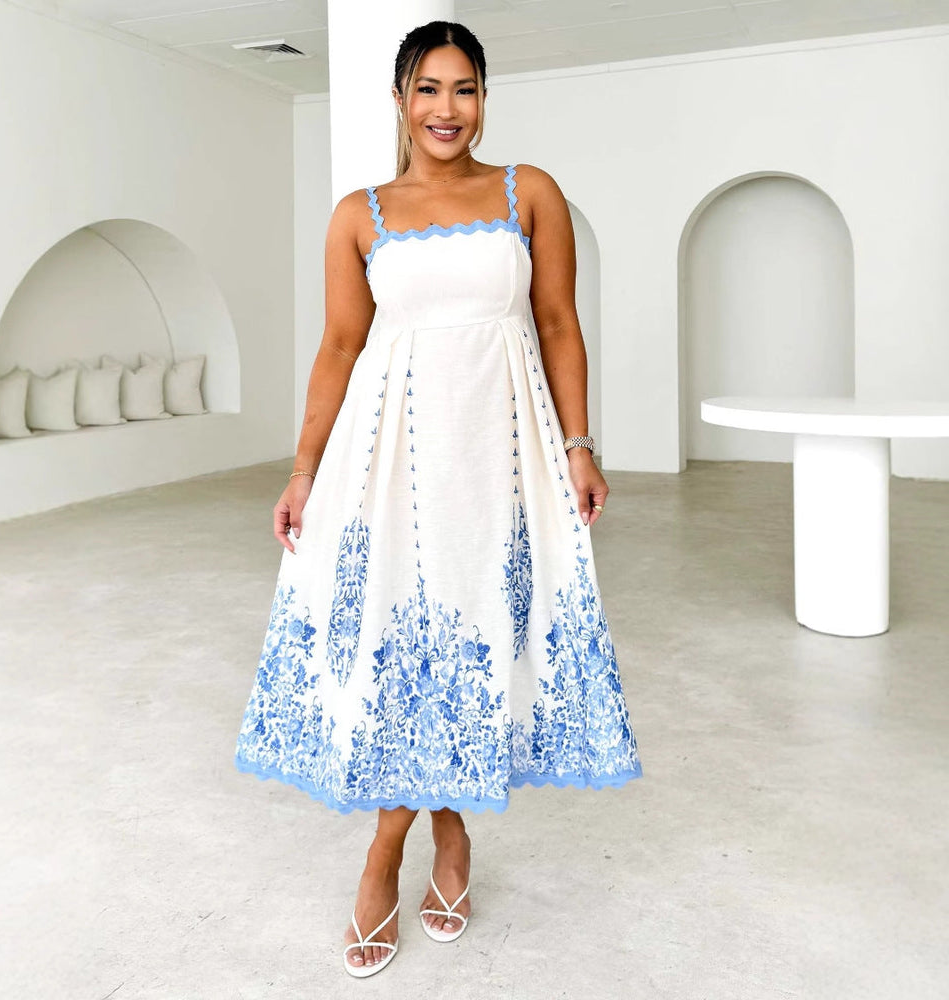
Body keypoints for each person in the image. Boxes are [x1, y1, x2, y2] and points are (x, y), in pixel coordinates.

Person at [234, 20, 642, 979]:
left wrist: (579, 446)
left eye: (464, 89)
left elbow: (556, 323)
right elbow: (340, 347)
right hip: (390, 455)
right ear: (399, 99)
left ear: (485, 98)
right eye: (428, 89)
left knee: (480, 632)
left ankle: (440, 832)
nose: (446, 109)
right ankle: (398, 845)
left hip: (502, 452)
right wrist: (303, 469)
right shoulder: (360, 214)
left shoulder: (528, 193)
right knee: (402, 639)